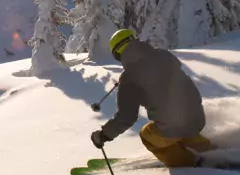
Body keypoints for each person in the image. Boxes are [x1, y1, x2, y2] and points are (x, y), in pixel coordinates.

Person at [90, 29, 212, 167]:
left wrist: (104, 135)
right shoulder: (163, 55)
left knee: (148, 134)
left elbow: (126, 117)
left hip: (174, 126)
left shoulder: (129, 79)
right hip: (198, 117)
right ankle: (204, 147)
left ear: (118, 54)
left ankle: (188, 163)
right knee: (177, 123)